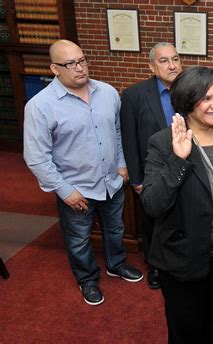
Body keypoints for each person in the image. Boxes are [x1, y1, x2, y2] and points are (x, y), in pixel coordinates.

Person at [23, 40, 143, 306]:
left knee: (115, 229)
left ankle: (116, 264)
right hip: (77, 189)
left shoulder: (108, 92)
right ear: (55, 68)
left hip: (112, 181)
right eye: (70, 64)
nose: (80, 68)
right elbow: (36, 157)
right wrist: (65, 191)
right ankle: (87, 279)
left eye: (82, 60)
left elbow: (117, 132)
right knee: (78, 240)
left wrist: (122, 165)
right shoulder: (40, 106)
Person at [140, 66, 213, 344]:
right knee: (186, 329)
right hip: (182, 257)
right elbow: (152, 204)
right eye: (207, 98)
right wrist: (178, 160)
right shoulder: (164, 142)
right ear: (188, 102)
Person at [120, 42, 182, 290]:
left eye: (175, 59)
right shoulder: (134, 96)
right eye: (164, 60)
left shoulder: (189, 90)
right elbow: (129, 139)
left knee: (180, 218)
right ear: (151, 66)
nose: (172, 65)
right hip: (151, 173)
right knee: (153, 221)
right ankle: (155, 265)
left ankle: (176, 261)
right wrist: (136, 178)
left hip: (183, 167)